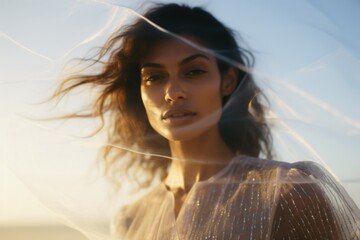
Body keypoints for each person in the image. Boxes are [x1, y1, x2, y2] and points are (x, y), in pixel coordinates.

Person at [52, 3, 360, 239]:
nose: (173, 92)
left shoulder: (289, 192)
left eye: (194, 71)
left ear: (227, 82)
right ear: (140, 91)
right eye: (155, 77)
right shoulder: (130, 220)